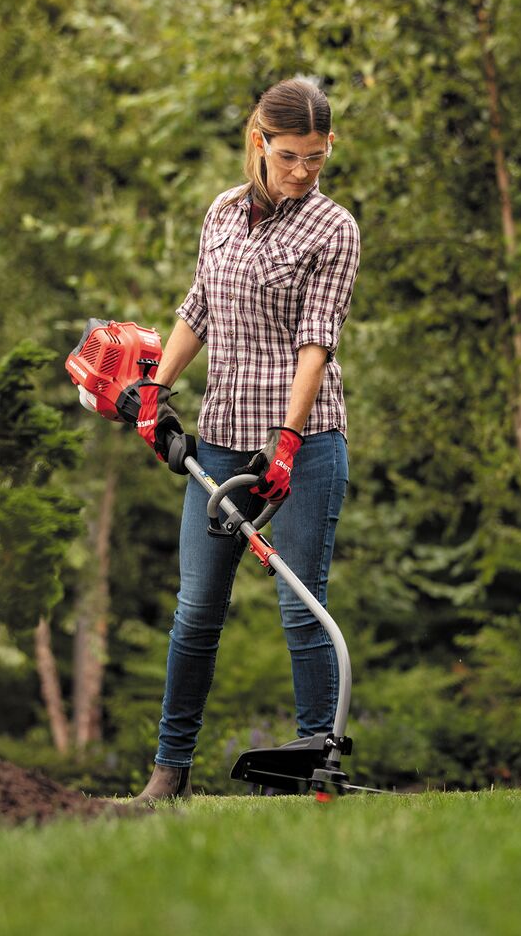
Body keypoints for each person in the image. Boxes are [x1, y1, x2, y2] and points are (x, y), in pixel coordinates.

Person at [126, 77, 360, 803]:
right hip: (223, 441)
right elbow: (198, 309)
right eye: (289, 156)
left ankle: (315, 768)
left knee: (300, 606)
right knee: (197, 609)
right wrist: (156, 390)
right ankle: (169, 772)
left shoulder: (334, 228)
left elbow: (316, 344)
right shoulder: (223, 211)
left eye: (317, 157)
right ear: (260, 142)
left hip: (304, 444)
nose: (303, 171)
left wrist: (287, 439)